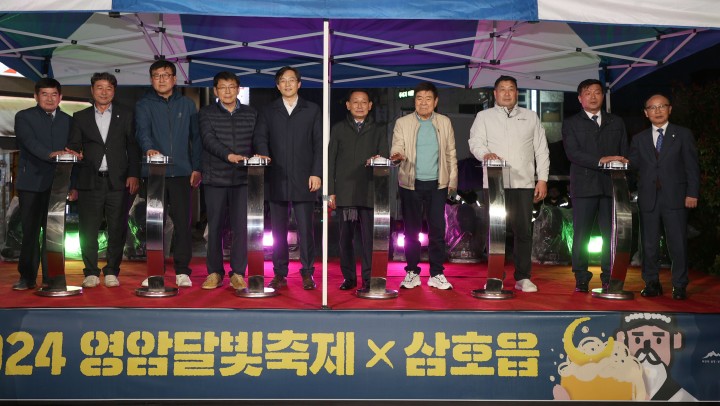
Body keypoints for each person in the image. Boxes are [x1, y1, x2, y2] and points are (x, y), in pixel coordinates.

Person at [469, 75, 549, 293]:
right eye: (502, 89)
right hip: (495, 183)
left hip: (524, 182)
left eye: (511, 89)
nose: (506, 93)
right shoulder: (484, 117)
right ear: (495, 93)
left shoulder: (530, 117)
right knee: (495, 232)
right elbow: (475, 142)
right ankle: (495, 276)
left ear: (516, 93)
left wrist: (542, 179)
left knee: (523, 231)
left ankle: (523, 277)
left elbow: (541, 149)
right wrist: (485, 154)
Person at [67, 72, 140, 288]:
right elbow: (74, 147)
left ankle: (112, 271)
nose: (104, 92)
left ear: (114, 91)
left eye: (109, 88)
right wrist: (73, 181)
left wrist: (134, 174)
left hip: (118, 181)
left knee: (117, 228)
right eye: (99, 87)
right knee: (88, 228)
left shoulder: (126, 115)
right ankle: (90, 271)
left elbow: (133, 147)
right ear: (92, 90)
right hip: (89, 180)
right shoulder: (80, 117)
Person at [135, 60, 202, 288]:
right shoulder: (143, 105)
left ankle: (182, 271)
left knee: (183, 224)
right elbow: (142, 132)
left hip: (182, 173)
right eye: (157, 75)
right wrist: (149, 149)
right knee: (154, 225)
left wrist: (197, 167)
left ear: (174, 79)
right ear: (151, 79)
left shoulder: (187, 104)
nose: (161, 79)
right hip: (154, 173)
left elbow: (196, 139)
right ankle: (155, 270)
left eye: (166, 75)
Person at [254, 66, 322, 290]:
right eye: (283, 80)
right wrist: (263, 154)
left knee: (306, 230)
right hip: (277, 176)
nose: (287, 84)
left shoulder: (312, 109)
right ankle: (279, 273)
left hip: (305, 178)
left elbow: (319, 143)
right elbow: (260, 137)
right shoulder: (268, 110)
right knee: (278, 230)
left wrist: (316, 172)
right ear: (277, 85)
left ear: (299, 84)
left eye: (291, 80)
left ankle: (307, 272)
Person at [628, 94, 699, 300]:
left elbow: (692, 166)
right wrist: (620, 162)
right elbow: (632, 166)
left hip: (676, 197)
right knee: (648, 245)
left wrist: (692, 193)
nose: (657, 111)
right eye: (652, 107)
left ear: (670, 109)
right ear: (646, 113)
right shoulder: (639, 138)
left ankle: (680, 285)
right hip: (648, 198)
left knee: (677, 244)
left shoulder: (683, 134)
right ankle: (651, 283)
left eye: (662, 106)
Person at [390, 81, 457, 290]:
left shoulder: (444, 122)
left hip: (438, 184)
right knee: (411, 230)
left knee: (437, 230)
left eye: (428, 99)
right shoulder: (403, 122)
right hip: (410, 183)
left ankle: (437, 273)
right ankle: (412, 272)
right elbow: (397, 146)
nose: (423, 103)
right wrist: (397, 155)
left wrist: (452, 182)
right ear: (414, 101)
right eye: (419, 99)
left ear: (435, 102)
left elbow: (451, 153)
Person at [562, 79, 628, 293]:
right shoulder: (571, 123)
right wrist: (601, 160)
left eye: (597, 92)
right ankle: (581, 277)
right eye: (587, 93)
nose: (593, 96)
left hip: (611, 185)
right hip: (584, 185)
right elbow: (573, 153)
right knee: (582, 235)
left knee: (611, 234)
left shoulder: (616, 121)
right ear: (580, 98)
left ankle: (609, 277)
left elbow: (624, 151)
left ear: (603, 96)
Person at [13, 78, 77, 290]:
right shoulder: (24, 117)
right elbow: (29, 142)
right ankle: (27, 277)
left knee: (55, 233)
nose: (49, 99)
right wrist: (51, 154)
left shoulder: (69, 121)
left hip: (59, 185)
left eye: (54, 94)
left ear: (60, 97)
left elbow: (73, 152)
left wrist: (74, 185)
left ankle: (53, 278)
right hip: (31, 184)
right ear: (36, 96)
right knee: (30, 233)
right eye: (44, 94)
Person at [198, 72, 257, 290]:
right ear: (216, 91)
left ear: (238, 89)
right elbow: (208, 139)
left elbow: (258, 139)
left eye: (231, 86)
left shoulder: (251, 113)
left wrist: (260, 154)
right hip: (215, 177)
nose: (227, 91)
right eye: (222, 87)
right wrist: (228, 155)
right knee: (215, 227)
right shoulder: (206, 113)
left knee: (241, 228)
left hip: (243, 179)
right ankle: (214, 272)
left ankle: (238, 273)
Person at [328, 89, 388, 290]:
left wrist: (378, 160)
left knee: (369, 239)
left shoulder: (379, 130)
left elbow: (384, 157)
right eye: (355, 102)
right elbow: (330, 161)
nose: (360, 106)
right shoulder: (338, 129)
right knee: (345, 239)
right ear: (348, 105)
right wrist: (330, 191)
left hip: (369, 191)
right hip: (345, 193)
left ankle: (369, 278)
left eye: (364, 102)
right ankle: (349, 277)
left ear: (370, 105)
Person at [615, 312, 697, 400]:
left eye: (658, 341)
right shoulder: (613, 394)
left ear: (676, 340)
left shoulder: (684, 398)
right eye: (637, 340)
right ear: (621, 339)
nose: (647, 349)